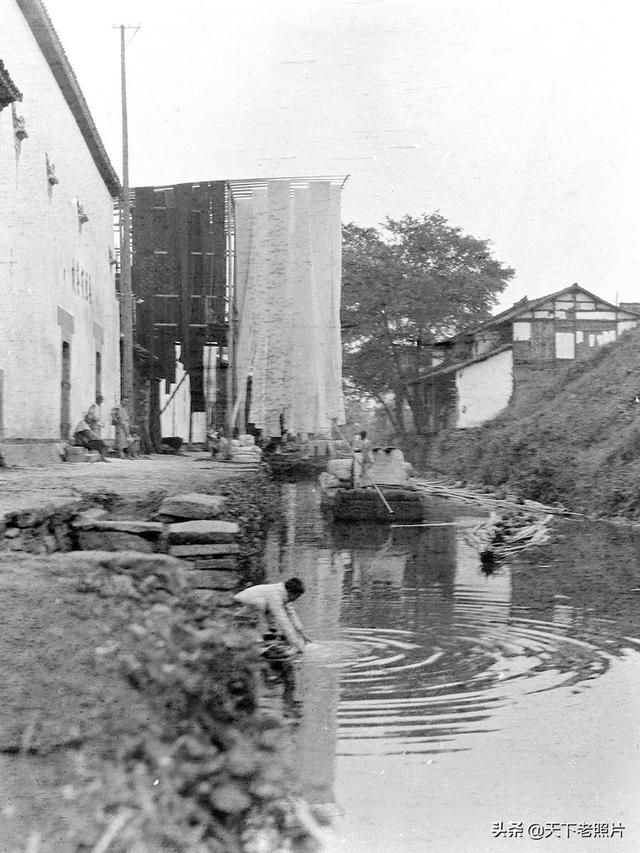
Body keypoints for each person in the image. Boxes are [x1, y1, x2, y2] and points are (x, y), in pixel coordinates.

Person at [234, 577, 310, 653]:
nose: (295, 599)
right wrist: (296, 644)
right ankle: (257, 641)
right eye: (296, 597)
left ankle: (263, 636)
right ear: (290, 592)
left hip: (249, 613)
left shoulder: (283, 593)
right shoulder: (275, 595)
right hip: (237, 615)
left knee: (268, 614)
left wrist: (303, 634)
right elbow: (283, 620)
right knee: (261, 604)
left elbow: (292, 614)